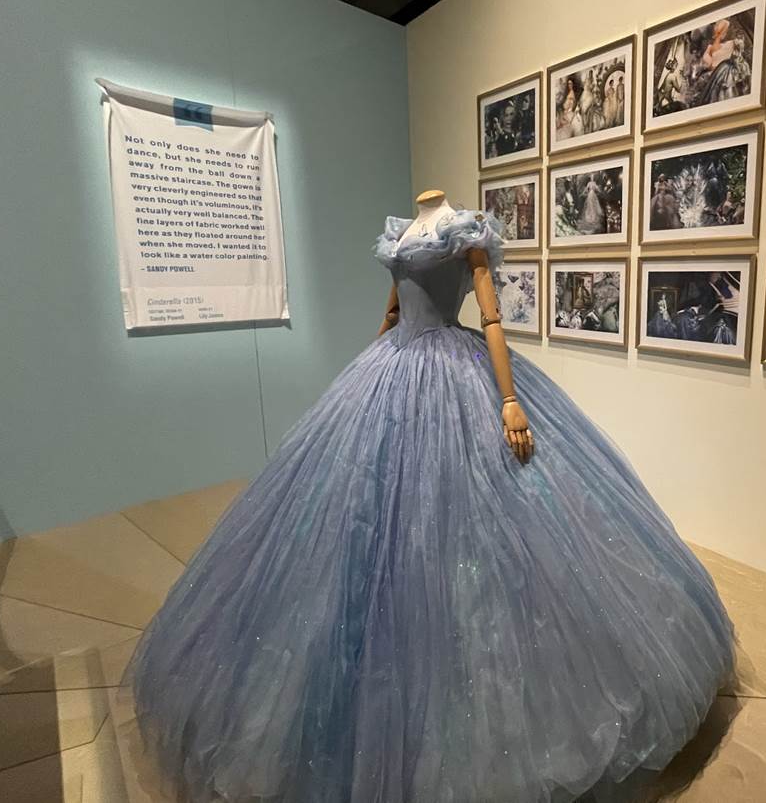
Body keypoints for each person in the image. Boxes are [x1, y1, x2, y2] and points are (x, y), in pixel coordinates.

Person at [124, 207, 735, 802]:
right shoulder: (400, 232)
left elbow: (491, 320)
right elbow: (392, 313)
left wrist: (509, 401)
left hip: (458, 370)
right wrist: (358, 391)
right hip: (389, 369)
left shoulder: (465, 232)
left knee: (483, 530)